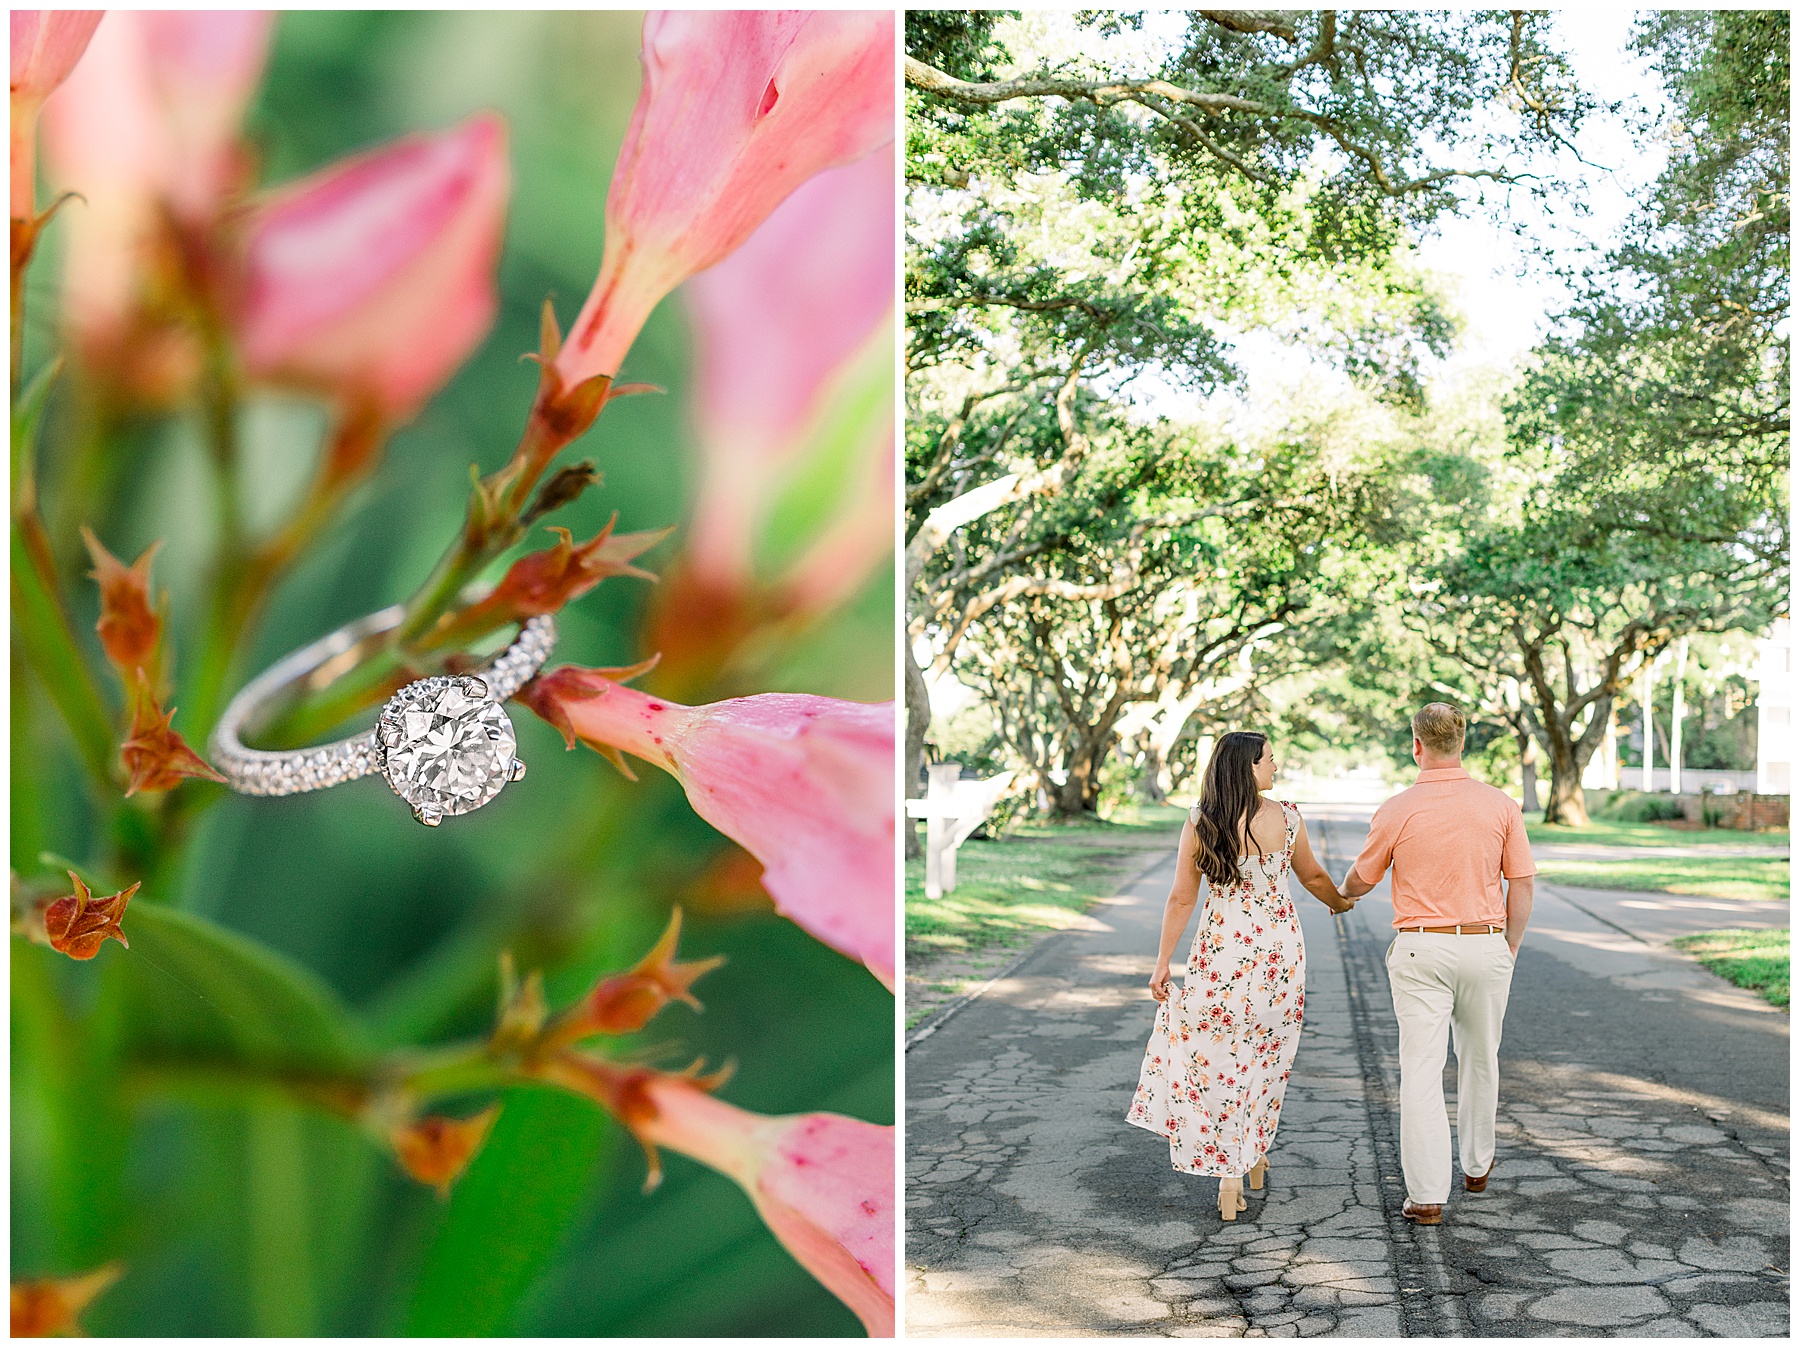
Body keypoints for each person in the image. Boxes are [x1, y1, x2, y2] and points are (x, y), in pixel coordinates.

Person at [1126, 730, 1353, 1222]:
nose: (1276, 767)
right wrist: (1340, 901)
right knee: (1268, 1052)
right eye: (1270, 759)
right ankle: (1248, 1154)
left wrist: (1163, 962)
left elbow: (1182, 897)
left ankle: (1230, 1165)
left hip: (1221, 951)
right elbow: (1312, 876)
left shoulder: (1200, 821)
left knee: (1220, 1052)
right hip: (1278, 953)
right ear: (1247, 767)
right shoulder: (1288, 816)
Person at [1339, 702, 1537, 1226]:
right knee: (1480, 1059)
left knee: (1422, 1071)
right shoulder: (1501, 806)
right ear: (1462, 741)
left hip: (1421, 949)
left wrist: (1343, 894)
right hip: (1485, 944)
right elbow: (1522, 881)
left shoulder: (1398, 808)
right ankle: (1477, 1166)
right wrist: (1507, 945)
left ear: (1416, 746)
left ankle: (1426, 1197)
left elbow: (1364, 877)